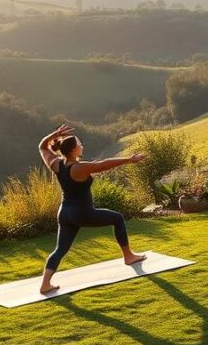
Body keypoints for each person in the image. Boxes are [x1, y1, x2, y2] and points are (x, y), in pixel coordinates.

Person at [37, 124, 148, 295]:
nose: (83, 146)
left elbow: (42, 146)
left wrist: (54, 135)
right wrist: (129, 159)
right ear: (74, 149)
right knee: (117, 218)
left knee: (60, 249)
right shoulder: (80, 168)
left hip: (65, 213)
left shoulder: (56, 164)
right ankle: (128, 256)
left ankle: (45, 284)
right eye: (80, 144)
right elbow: (104, 164)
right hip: (81, 213)